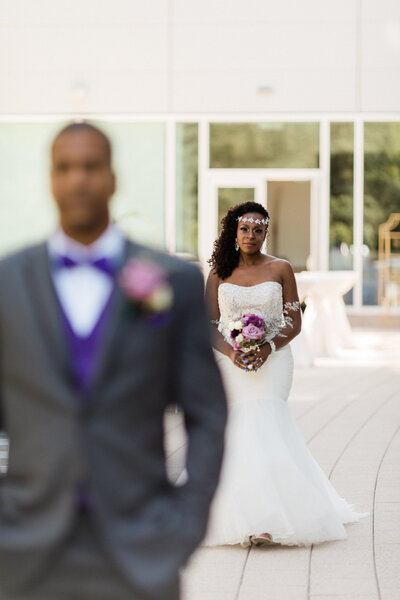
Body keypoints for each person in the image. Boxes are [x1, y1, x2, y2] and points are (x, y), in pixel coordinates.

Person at [0, 122, 227, 600]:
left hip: (141, 546)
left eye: (90, 166)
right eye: (65, 168)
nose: (78, 179)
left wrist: (185, 525)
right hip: (24, 552)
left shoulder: (176, 283)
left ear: (113, 177)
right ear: (50, 179)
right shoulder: (8, 284)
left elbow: (207, 415)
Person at [204, 201, 366, 547]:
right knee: (240, 431)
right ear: (234, 231)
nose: (250, 235)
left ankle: (269, 520)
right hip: (230, 362)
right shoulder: (219, 272)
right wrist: (233, 352)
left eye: (258, 229)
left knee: (266, 423)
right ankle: (249, 515)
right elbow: (208, 324)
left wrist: (266, 348)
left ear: (266, 233)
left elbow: (294, 321)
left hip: (274, 360)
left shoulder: (281, 269)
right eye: (244, 228)